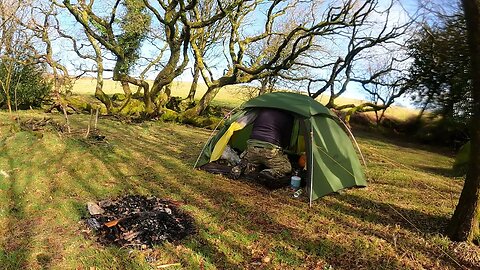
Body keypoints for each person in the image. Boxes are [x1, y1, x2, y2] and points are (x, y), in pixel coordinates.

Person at [232, 108, 293, 180]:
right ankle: (269, 173)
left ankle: (241, 167)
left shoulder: (262, 110)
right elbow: (286, 139)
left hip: (252, 147)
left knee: (253, 162)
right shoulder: (288, 117)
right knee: (286, 168)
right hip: (269, 150)